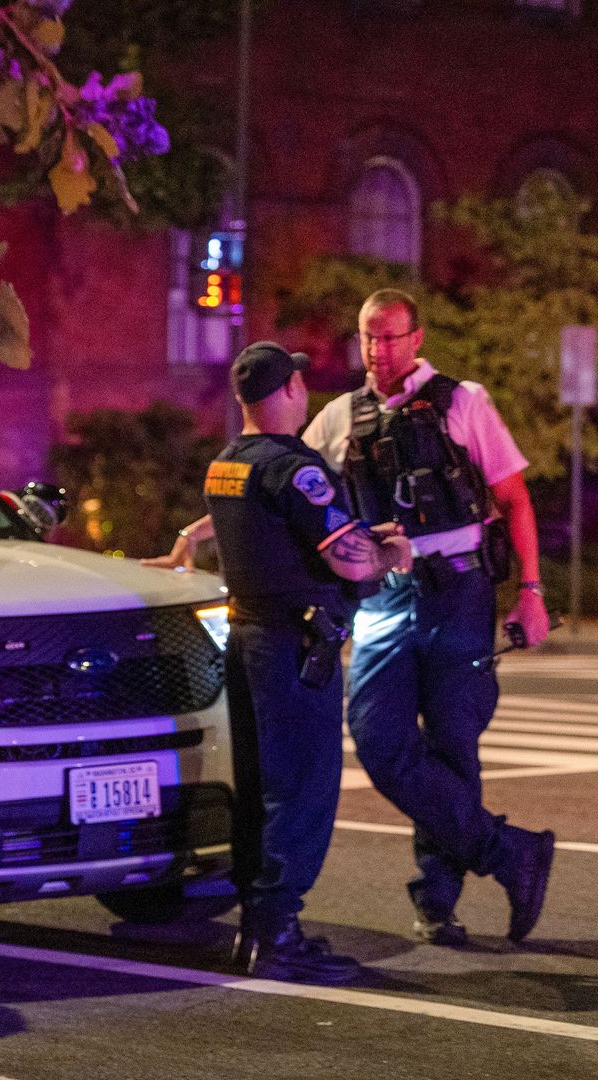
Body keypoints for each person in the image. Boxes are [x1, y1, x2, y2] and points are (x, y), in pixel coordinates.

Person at [153, 290, 556, 947]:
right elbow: (270, 477)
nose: (379, 350)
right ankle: (508, 853)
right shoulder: (341, 415)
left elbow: (513, 498)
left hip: (458, 591)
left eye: (392, 337)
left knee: (454, 741)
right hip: (384, 595)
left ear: (417, 338)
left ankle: (438, 896)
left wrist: (532, 591)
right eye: (370, 337)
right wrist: (199, 529)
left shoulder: (464, 402)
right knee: (377, 738)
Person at [203, 342, 413, 983]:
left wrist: (355, 539)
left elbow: (284, 540)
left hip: (248, 641)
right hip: (297, 650)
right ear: (290, 389)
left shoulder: (226, 465)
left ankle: (256, 927)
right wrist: (387, 556)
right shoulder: (295, 469)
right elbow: (345, 559)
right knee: (302, 788)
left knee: (261, 787)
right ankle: (278, 934)